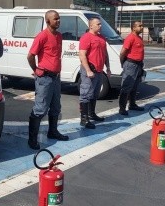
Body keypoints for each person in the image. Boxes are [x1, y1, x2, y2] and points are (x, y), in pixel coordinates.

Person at [26, 10, 69, 150]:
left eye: (59, 18)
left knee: (56, 107)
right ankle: (32, 139)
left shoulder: (59, 36)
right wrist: (36, 70)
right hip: (44, 78)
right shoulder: (42, 36)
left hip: (56, 78)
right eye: (55, 19)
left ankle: (53, 132)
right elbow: (30, 56)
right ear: (48, 21)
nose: (58, 21)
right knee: (40, 109)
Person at [78, 17, 111, 129]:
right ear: (91, 26)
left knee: (94, 94)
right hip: (90, 70)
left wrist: (108, 68)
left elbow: (105, 54)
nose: (100, 26)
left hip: (99, 71)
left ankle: (92, 114)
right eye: (98, 24)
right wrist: (87, 70)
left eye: (100, 24)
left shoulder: (102, 38)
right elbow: (82, 55)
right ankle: (84, 118)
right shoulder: (86, 37)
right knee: (85, 94)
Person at [118, 21, 145, 115]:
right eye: (140, 26)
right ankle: (122, 108)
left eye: (142, 25)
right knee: (126, 87)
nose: (142, 27)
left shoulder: (139, 38)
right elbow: (122, 53)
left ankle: (132, 104)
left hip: (138, 65)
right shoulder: (130, 38)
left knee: (135, 86)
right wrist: (123, 63)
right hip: (131, 64)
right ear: (133, 28)